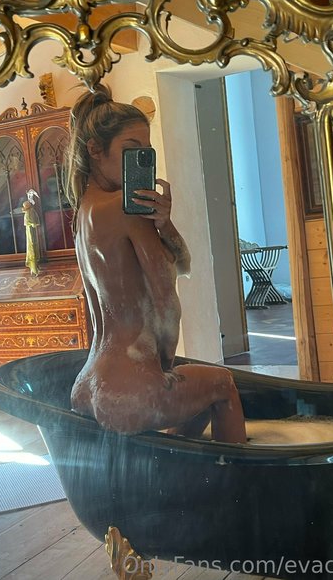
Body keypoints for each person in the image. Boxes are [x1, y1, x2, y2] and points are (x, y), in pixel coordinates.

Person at [63, 85, 246, 444]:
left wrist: (163, 223)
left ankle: (173, 461)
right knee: (222, 384)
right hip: (129, 388)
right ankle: (238, 475)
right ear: (95, 150)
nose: (141, 161)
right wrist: (163, 367)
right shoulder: (126, 207)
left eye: (146, 152)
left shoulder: (82, 214)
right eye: (131, 150)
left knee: (198, 393)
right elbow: (168, 294)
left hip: (87, 385)